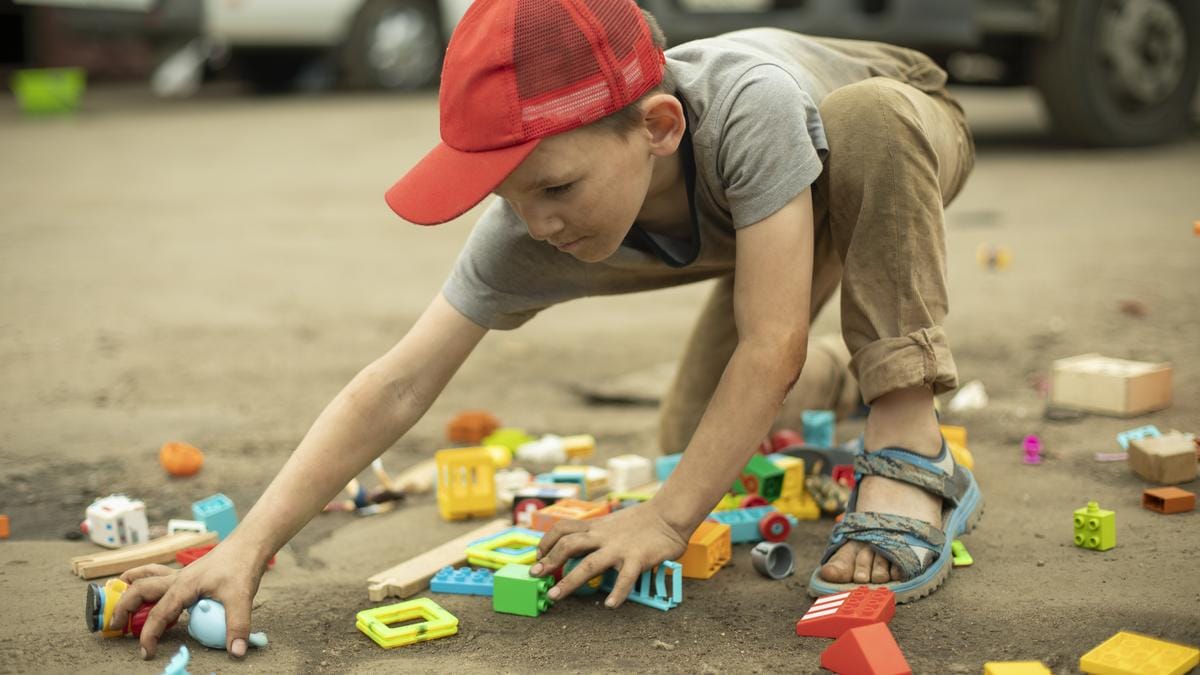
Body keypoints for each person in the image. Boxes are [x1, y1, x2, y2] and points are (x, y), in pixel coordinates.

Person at [115, 0, 982, 660]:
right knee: (697, 444)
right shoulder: (533, 220)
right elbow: (398, 381)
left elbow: (767, 345)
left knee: (864, 123)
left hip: (890, 138)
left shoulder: (745, 107)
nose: (536, 223)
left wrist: (668, 523)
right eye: (510, 198)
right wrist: (247, 547)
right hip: (770, 230)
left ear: (656, 126)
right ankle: (845, 375)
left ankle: (908, 435)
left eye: (556, 190)